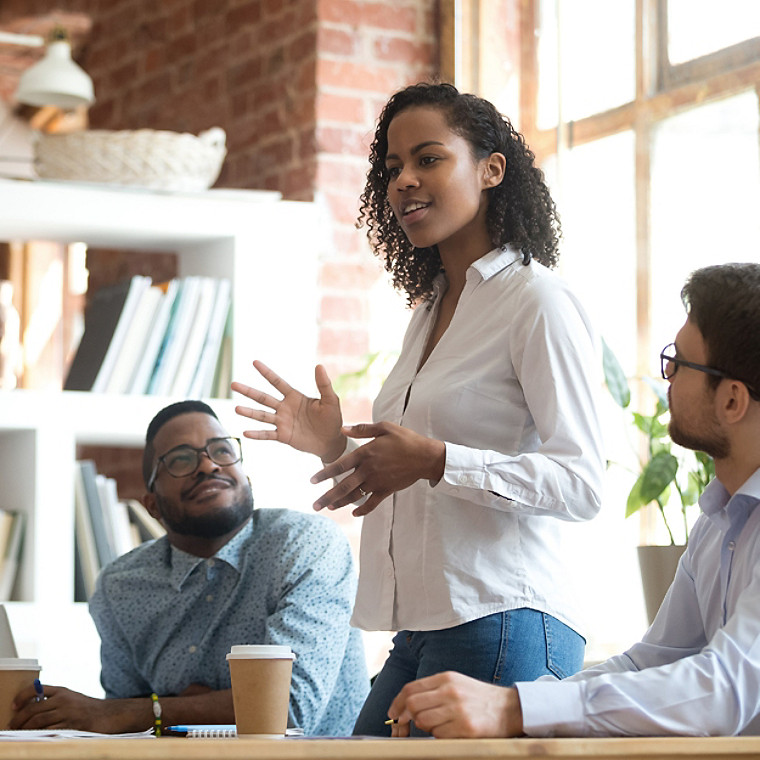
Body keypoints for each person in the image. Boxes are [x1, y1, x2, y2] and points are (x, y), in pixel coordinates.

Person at [231, 81, 605, 736]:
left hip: (507, 619)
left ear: (492, 169)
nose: (404, 181)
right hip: (424, 629)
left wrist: (434, 459)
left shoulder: (536, 302)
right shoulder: (429, 311)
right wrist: (332, 447)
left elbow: (581, 483)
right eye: (392, 168)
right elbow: (416, 471)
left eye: (428, 159)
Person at [388, 262, 760, 738]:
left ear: (732, 401)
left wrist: (515, 709)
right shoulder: (719, 519)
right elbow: (652, 660)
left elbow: (723, 691)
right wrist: (526, 703)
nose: (664, 375)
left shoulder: (538, 300)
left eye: (680, 363)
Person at [11, 400, 368, 735]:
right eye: (181, 460)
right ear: (152, 505)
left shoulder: (304, 544)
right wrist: (169, 710)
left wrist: (150, 711)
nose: (209, 465)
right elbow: (125, 729)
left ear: (247, 479)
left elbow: (285, 709)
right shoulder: (120, 587)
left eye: (223, 451)